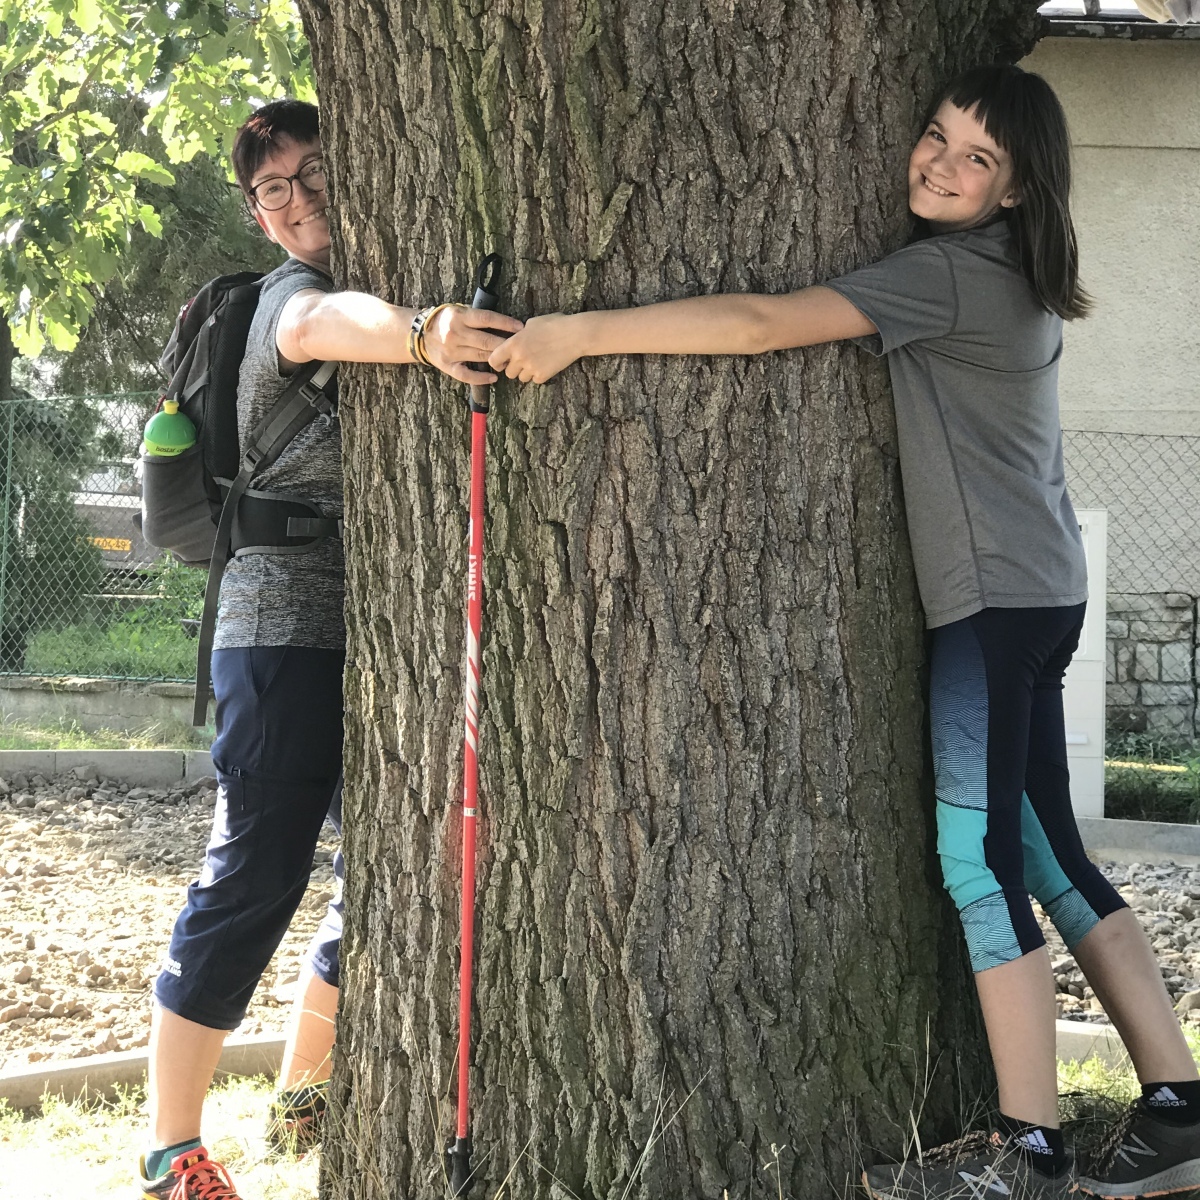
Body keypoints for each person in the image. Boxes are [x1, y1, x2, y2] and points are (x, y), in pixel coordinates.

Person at [489, 65, 1200, 1200]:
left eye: (978, 158)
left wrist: (579, 332)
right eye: (937, 136)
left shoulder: (951, 277)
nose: (941, 163)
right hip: (1035, 593)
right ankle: (1177, 1108)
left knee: (977, 864)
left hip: (992, 606)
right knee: (1045, 855)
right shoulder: (1009, 270)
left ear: (1018, 189)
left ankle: (1027, 1152)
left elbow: (763, 323)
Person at [140, 99, 522, 1200]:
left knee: (388, 862)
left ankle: (307, 1092)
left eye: (315, 175)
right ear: (258, 219)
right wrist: (423, 335)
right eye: (276, 191)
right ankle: (171, 1151)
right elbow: (321, 329)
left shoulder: (344, 271)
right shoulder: (283, 303)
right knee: (257, 868)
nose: (300, 200)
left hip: (364, 629)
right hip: (276, 634)